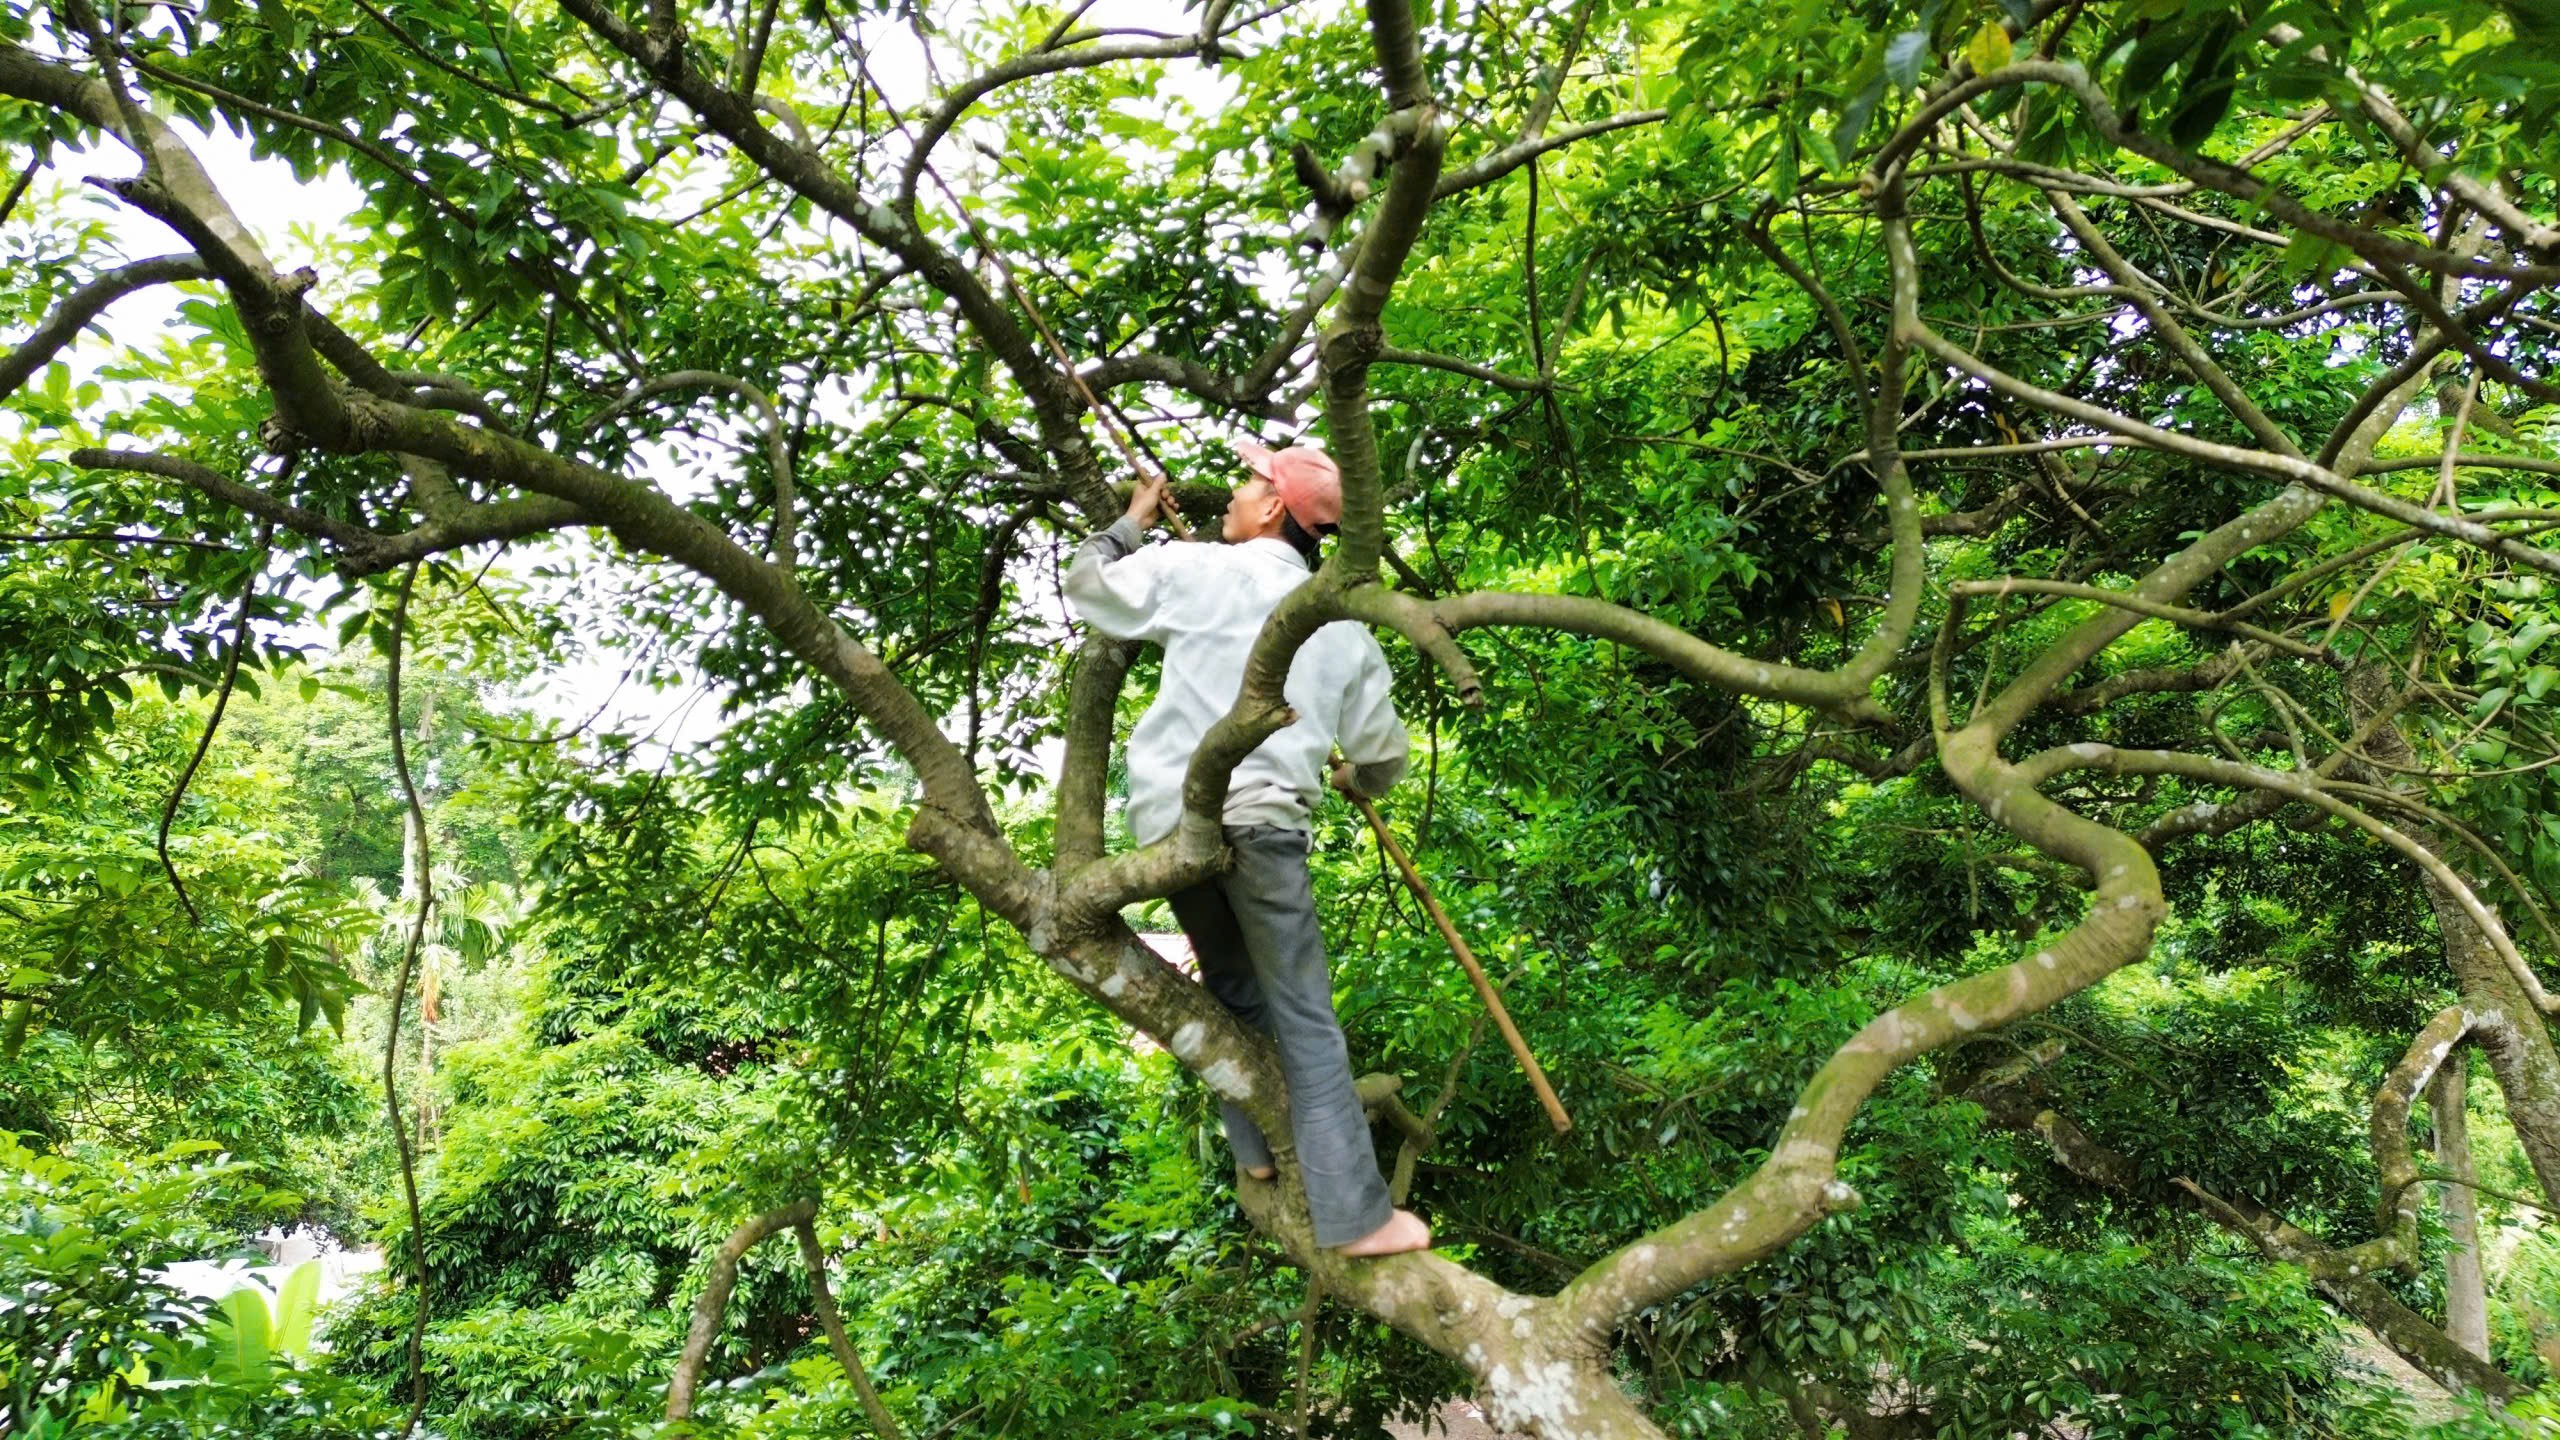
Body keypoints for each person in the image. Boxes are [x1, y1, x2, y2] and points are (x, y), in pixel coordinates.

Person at [1063, 439, 1431, 1258]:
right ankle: (1358, 1217)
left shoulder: (1196, 568)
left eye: (1250, 481)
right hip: (1264, 825)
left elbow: (1089, 588)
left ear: (1273, 508)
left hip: (1173, 830)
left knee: (1232, 982)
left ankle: (1256, 1152)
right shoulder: (1341, 624)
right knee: (1304, 1017)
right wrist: (1357, 783)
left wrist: (1129, 524)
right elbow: (1384, 756)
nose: (1235, 491)